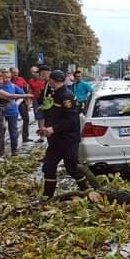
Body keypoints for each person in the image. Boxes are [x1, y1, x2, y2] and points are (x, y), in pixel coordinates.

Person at [40, 70, 89, 199]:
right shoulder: (54, 93)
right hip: (56, 140)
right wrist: (47, 127)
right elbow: (52, 112)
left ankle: (88, 191)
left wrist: (54, 128)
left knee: (71, 168)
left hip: (68, 140)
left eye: (50, 79)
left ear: (53, 80)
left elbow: (71, 120)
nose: (48, 82)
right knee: (49, 167)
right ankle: (47, 197)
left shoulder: (66, 95)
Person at [0, 71, 32, 162]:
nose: (2, 81)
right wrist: (26, 95)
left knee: (0, 131)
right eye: (0, 79)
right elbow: (9, 96)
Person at [0, 70, 27, 155]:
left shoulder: (13, 86)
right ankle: (0, 150)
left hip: (12, 111)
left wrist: (17, 103)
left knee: (13, 131)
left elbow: (23, 95)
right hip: (1, 112)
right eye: (4, 77)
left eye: (8, 77)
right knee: (1, 131)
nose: (6, 79)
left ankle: (14, 149)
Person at [10, 67, 32, 143]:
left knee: (26, 118)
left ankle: (25, 137)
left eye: (17, 73)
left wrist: (27, 102)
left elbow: (26, 90)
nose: (16, 74)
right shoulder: (8, 81)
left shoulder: (21, 79)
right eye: (14, 73)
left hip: (22, 101)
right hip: (12, 102)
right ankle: (14, 138)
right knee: (13, 121)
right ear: (11, 73)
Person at [35, 65, 55, 142]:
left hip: (52, 115)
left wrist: (43, 106)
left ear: (44, 73)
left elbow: (51, 99)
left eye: (39, 74)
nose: (38, 76)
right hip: (48, 114)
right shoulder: (47, 83)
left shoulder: (51, 84)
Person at [28, 66, 45, 143]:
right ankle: (42, 137)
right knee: (39, 118)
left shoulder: (44, 80)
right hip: (36, 101)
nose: (33, 73)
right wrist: (28, 102)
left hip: (46, 101)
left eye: (34, 72)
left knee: (48, 117)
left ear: (38, 72)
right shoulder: (31, 81)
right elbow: (30, 91)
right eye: (31, 72)